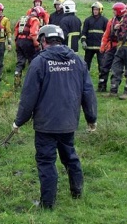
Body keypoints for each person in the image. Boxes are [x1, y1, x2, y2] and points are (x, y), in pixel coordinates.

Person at [12, 24, 97, 210]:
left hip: (46, 125)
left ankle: (47, 204)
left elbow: (28, 97)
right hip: (68, 122)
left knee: (46, 162)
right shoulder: (78, 60)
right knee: (70, 157)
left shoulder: (39, 62)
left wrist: (18, 121)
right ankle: (77, 192)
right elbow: (88, 92)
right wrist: (91, 119)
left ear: (43, 40)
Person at [13, 6, 46, 88]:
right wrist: (37, 45)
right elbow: (33, 34)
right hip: (28, 43)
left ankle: (17, 83)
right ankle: (32, 84)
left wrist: (16, 42)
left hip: (19, 42)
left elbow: (16, 31)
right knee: (33, 63)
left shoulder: (23, 18)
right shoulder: (35, 20)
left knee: (20, 63)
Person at [98, 2, 126, 92]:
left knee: (117, 69)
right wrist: (103, 46)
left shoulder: (126, 22)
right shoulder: (111, 21)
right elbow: (106, 34)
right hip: (111, 47)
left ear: (119, 11)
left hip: (121, 47)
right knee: (104, 66)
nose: (113, 12)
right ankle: (101, 86)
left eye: (114, 10)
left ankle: (114, 88)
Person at [80, 2, 108, 72]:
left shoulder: (105, 20)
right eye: (94, 9)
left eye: (97, 10)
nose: (95, 11)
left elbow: (107, 33)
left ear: (100, 10)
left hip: (100, 47)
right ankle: (85, 77)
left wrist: (106, 45)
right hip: (89, 46)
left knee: (101, 63)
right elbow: (84, 32)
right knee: (86, 63)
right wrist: (83, 41)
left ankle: (102, 78)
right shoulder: (88, 20)